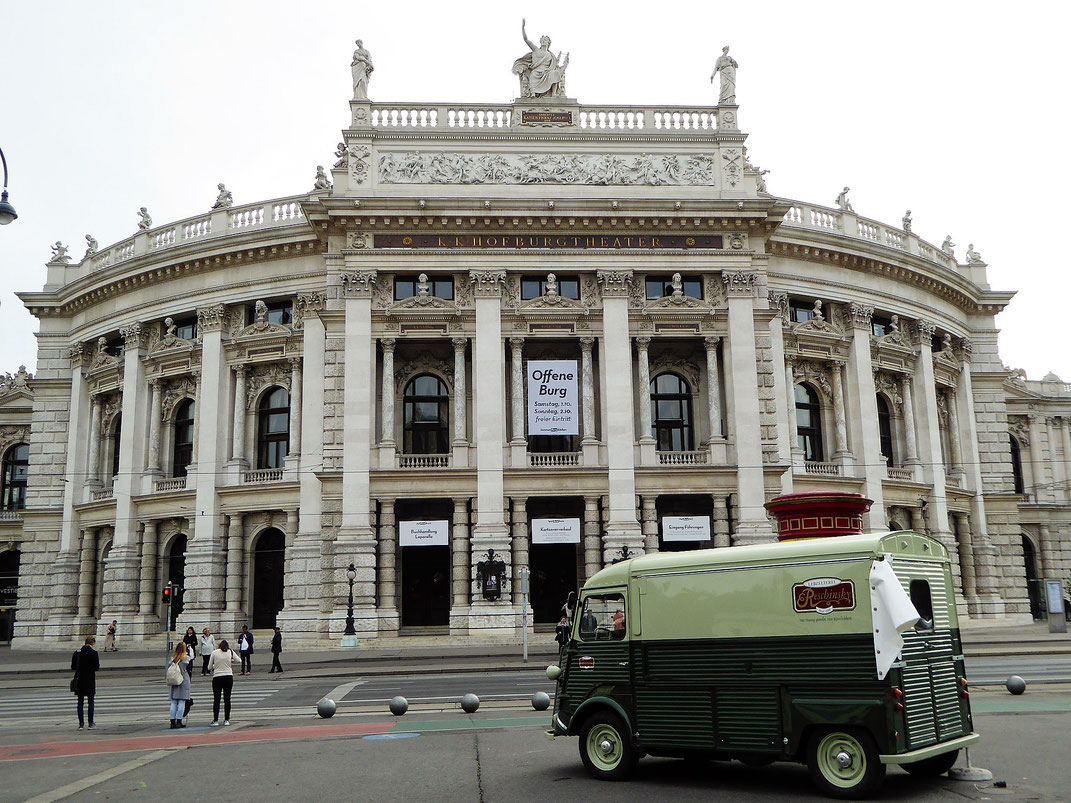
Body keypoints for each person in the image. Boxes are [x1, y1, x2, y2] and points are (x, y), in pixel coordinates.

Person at [208, 638, 241, 726]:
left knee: (216, 699)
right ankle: (226, 720)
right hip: (228, 676)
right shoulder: (230, 652)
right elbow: (239, 660)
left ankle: (215, 720)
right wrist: (231, 661)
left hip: (217, 677)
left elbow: (209, 667)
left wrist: (216, 665)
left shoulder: (214, 653)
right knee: (227, 699)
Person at [71, 636, 100, 730]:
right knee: (91, 701)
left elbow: (73, 666)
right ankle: (91, 723)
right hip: (90, 680)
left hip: (79, 679)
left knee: (80, 702)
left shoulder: (77, 653)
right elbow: (96, 667)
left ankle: (81, 724)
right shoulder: (94, 653)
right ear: (93, 643)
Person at [167, 643, 191, 729]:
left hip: (174, 681)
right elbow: (190, 663)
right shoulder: (186, 659)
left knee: (174, 702)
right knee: (181, 701)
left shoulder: (173, 659)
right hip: (182, 680)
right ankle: (179, 721)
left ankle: (172, 722)